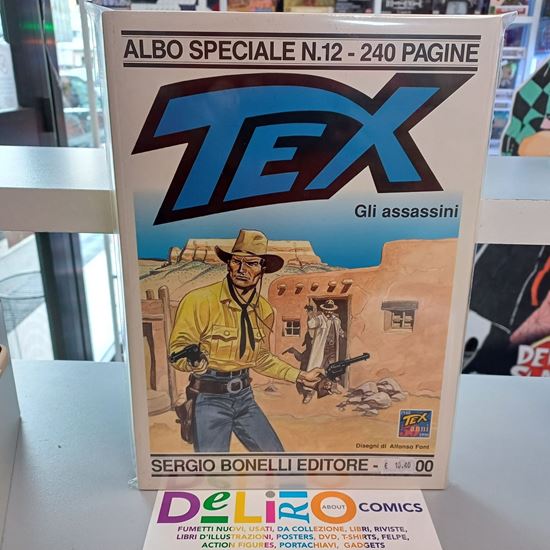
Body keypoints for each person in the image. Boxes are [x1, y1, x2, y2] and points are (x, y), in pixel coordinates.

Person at [169, 229, 324, 452]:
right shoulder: (198, 301)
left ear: (262, 269)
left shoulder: (264, 310)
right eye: (236, 261)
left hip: (244, 398)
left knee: (277, 458)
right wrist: (194, 362)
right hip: (208, 397)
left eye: (251, 263)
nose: (242, 269)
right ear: (228, 264)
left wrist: (301, 376)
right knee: (213, 468)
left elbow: (260, 358)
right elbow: (177, 351)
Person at [301, 300, 345, 404]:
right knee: (315, 370)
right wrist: (310, 314)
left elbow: (339, 330)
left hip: (333, 350)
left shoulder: (337, 320)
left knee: (332, 369)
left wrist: (342, 333)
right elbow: (311, 324)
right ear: (324, 310)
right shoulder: (320, 319)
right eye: (327, 310)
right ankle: (309, 392)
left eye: (330, 310)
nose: (329, 312)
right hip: (321, 350)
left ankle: (332, 387)